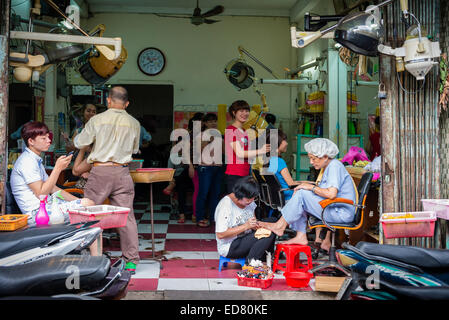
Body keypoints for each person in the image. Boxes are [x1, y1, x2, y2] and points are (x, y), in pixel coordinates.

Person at [73, 86, 141, 275]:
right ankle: (131, 262)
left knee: (90, 214)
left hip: (100, 172)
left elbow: (80, 143)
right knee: (127, 218)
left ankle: (93, 258)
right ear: (127, 103)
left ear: (108, 100)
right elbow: (134, 149)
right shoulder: (134, 123)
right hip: (122, 172)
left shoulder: (97, 120)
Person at [259, 138, 357, 254]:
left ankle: (280, 226)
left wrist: (310, 187)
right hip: (334, 208)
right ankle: (300, 235)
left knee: (302, 194)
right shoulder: (328, 167)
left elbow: (331, 194)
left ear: (325, 157)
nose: (311, 162)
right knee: (300, 194)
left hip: (340, 213)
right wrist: (305, 187)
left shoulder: (334, 166)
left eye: (313, 158)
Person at [10, 121, 95, 226]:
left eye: (48, 137)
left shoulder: (35, 160)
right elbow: (41, 194)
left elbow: (53, 188)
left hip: (48, 206)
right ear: (31, 141)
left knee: (88, 204)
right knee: (88, 206)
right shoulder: (27, 162)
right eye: (43, 138)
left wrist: (78, 200)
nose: (49, 141)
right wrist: (57, 169)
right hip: (37, 214)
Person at [215, 176, 276, 262]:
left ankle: (264, 258)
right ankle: (251, 263)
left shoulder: (249, 200)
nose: (251, 201)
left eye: (253, 198)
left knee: (273, 222)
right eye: (248, 199)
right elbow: (220, 234)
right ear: (239, 195)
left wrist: (256, 226)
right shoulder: (226, 205)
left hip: (246, 238)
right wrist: (246, 226)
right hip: (230, 246)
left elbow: (252, 220)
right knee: (268, 234)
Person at [224, 100, 269, 193]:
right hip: (235, 174)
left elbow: (247, 153)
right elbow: (240, 153)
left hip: (245, 173)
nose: (245, 113)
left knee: (243, 205)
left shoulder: (244, 131)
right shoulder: (231, 130)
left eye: (246, 111)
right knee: (236, 204)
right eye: (241, 111)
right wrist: (260, 151)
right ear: (234, 113)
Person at [195, 113, 223, 227]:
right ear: (205, 123)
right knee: (203, 193)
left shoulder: (219, 135)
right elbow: (198, 151)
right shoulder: (200, 135)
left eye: (215, 121)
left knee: (215, 194)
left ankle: (213, 217)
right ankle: (200, 217)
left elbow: (223, 151)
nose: (213, 123)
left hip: (217, 167)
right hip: (205, 167)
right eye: (210, 121)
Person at [264, 129, 304, 201]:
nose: (287, 143)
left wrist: (306, 182)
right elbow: (291, 184)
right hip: (288, 197)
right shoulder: (279, 161)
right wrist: (310, 184)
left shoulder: (270, 160)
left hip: (278, 198)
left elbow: (281, 181)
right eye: (284, 140)